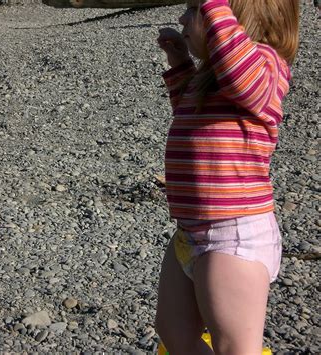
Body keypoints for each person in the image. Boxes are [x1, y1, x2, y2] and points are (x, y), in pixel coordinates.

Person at [155, 0, 299, 353]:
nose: (182, 17)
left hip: (234, 236)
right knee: (174, 332)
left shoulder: (266, 65)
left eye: (195, 9)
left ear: (233, 17)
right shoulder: (215, 75)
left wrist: (213, 6)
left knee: (235, 346)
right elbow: (193, 115)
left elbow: (241, 76)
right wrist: (181, 67)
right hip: (191, 232)